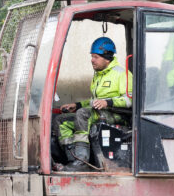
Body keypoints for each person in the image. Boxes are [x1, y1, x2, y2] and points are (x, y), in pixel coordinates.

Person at [52, 37, 133, 171]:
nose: (92, 60)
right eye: (92, 56)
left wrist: (107, 102)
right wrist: (77, 105)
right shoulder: (99, 75)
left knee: (82, 115)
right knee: (61, 121)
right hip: (98, 113)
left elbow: (130, 100)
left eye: (95, 57)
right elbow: (94, 101)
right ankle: (74, 161)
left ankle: (82, 161)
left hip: (117, 114)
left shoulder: (122, 74)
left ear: (106, 57)